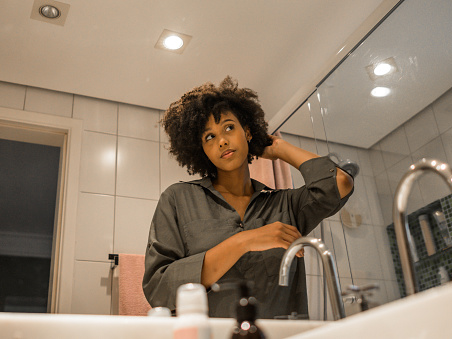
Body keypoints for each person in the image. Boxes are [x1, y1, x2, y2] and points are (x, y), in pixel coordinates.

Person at [143, 77, 353, 319]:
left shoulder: (285, 205)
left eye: (229, 128)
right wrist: (245, 241)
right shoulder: (178, 199)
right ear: (201, 150)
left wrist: (279, 149)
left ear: (248, 132)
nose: (222, 140)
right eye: (209, 137)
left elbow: (340, 182)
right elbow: (158, 289)